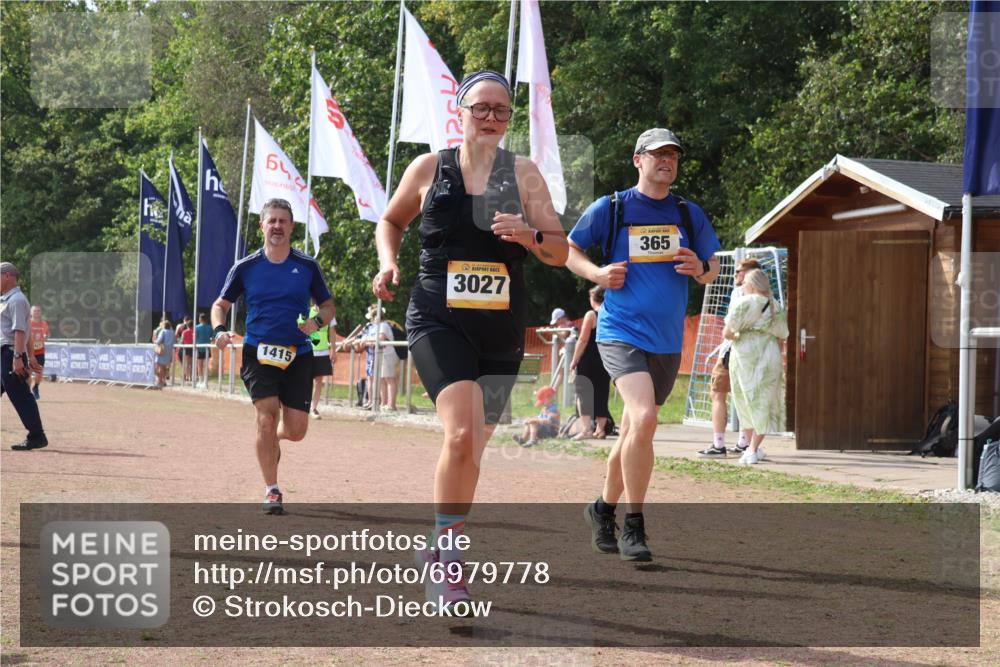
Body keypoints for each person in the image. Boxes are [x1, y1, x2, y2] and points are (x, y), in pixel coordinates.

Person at [372, 70, 567, 610]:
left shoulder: (524, 174)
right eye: (480, 107)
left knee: (474, 449)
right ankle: (450, 565)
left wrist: (530, 235)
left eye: (500, 110)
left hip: (500, 326)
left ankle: (438, 543)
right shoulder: (429, 168)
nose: (490, 118)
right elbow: (391, 220)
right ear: (459, 110)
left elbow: (558, 249)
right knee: (460, 436)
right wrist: (388, 264)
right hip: (438, 315)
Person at [568, 128, 720, 561]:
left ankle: (602, 509)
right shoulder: (613, 208)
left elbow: (710, 268)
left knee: (636, 430)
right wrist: (598, 275)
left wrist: (700, 267)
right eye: (658, 155)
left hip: (667, 341)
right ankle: (634, 525)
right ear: (638, 160)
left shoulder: (688, 213)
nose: (667, 161)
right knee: (643, 417)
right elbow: (571, 252)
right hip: (620, 331)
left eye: (673, 155)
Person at [211, 198, 334, 515]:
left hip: (299, 354)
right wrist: (219, 330)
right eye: (272, 220)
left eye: (283, 221)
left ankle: (272, 439)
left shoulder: (306, 266)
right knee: (265, 417)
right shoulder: (246, 266)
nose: (277, 226)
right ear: (262, 226)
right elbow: (220, 305)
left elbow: (328, 307)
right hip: (258, 352)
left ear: (292, 227)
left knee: (296, 430)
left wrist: (315, 323)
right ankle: (272, 490)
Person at [723, 268, 789, 465]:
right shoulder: (774, 305)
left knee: (745, 401)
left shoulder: (743, 303)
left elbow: (727, 332)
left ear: (751, 284)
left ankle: (751, 449)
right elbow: (782, 334)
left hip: (744, 357)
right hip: (769, 355)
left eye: (745, 283)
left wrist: (738, 336)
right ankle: (754, 447)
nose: (742, 286)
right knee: (764, 402)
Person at [697, 258, 761, 457]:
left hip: (733, 350)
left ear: (751, 274)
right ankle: (744, 442)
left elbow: (731, 326)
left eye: (739, 271)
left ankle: (719, 444)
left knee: (718, 393)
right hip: (753, 351)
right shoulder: (768, 298)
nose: (736, 275)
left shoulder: (740, 293)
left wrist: (731, 333)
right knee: (744, 397)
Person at [1, 262, 48, 450]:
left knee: (20, 394)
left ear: (7, 276)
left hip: (11, 353)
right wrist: (32, 356)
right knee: (19, 393)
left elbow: (21, 331)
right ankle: (37, 434)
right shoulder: (6, 299)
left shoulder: (17, 300)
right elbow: (26, 330)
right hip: (6, 352)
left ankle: (37, 435)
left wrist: (19, 357)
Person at [569, 285, 612, 440]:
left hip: (589, 359)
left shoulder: (591, 315)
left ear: (593, 298)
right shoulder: (612, 313)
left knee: (583, 393)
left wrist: (574, 360)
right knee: (602, 392)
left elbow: (583, 339)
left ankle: (587, 429)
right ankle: (600, 430)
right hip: (606, 358)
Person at [297, 300, 338, 419]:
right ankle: (302, 405)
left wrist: (333, 350)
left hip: (323, 351)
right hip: (307, 350)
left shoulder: (329, 313)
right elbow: (300, 329)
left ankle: (313, 408)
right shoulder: (306, 312)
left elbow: (332, 332)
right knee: (305, 379)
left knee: (318, 381)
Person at [28, 305, 49, 400]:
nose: (37, 312)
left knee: (39, 371)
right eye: (35, 311)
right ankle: (27, 391)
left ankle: (35, 387)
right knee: (28, 372)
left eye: (38, 311)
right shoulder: (28, 323)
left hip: (40, 351)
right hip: (29, 351)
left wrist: (45, 337)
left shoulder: (44, 323)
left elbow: (47, 334)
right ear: (31, 313)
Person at [152, 318, 175, 388]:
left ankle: (160, 381)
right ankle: (164, 380)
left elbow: (159, 341)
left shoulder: (163, 331)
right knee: (165, 367)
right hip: (169, 351)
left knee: (160, 366)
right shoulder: (172, 332)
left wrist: (155, 341)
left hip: (162, 350)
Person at [194, 313, 213, 386]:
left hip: (199, 349)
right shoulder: (209, 327)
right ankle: (205, 381)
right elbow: (212, 337)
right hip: (207, 349)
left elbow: (195, 338)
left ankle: (200, 380)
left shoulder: (197, 327)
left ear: (200, 319)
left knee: (199, 365)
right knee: (205, 365)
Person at [176, 316, 192, 381]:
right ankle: (190, 376)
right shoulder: (193, 329)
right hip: (191, 347)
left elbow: (176, 335)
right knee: (190, 363)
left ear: (184, 320)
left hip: (183, 347)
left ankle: (184, 376)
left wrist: (178, 343)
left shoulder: (180, 327)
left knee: (184, 362)